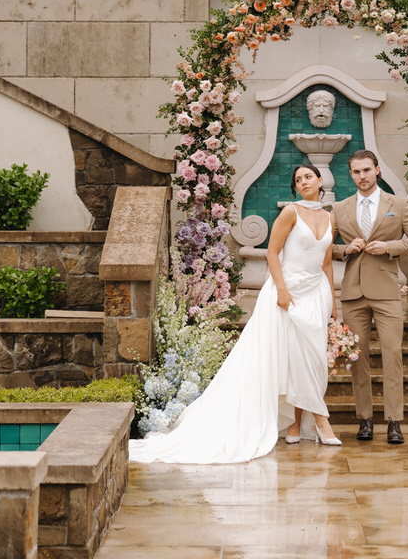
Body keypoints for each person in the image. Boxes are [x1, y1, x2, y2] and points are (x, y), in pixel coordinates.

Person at [128, 163, 340, 464]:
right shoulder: (291, 212)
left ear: (320, 181)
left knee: (312, 358)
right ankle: (322, 421)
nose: (304, 182)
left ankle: (295, 423)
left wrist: (332, 302)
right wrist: (281, 290)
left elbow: (327, 264)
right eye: (298, 179)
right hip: (287, 293)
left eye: (308, 177)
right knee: (293, 354)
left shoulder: (330, 218)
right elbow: (271, 253)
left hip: (315, 295)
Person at [332, 149, 408, 444]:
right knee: (358, 358)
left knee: (392, 355)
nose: (362, 176)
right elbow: (324, 247)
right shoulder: (339, 208)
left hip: (386, 292)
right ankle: (365, 419)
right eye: (356, 172)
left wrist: (390, 247)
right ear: (351, 175)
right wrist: (344, 250)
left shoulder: (398, 205)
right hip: (353, 293)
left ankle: (394, 421)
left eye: (366, 170)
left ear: (377, 171)